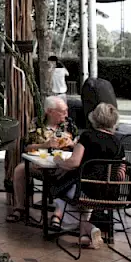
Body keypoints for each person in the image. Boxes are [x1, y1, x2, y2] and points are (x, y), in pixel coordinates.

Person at [48, 103, 125, 249]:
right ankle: (84, 235)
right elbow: (121, 173)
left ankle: (80, 226)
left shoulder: (87, 136)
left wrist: (58, 161)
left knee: (61, 186)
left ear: (94, 118)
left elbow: (74, 163)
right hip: (110, 194)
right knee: (83, 201)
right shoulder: (118, 142)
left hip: (86, 191)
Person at [6, 95, 77, 223]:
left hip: (63, 167)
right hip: (40, 164)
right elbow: (27, 147)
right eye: (62, 111)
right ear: (50, 111)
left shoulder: (69, 125)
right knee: (20, 170)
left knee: (70, 174)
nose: (66, 114)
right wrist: (44, 145)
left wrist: (71, 144)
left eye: (66, 110)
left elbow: (79, 146)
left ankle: (58, 213)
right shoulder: (37, 124)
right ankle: (20, 208)